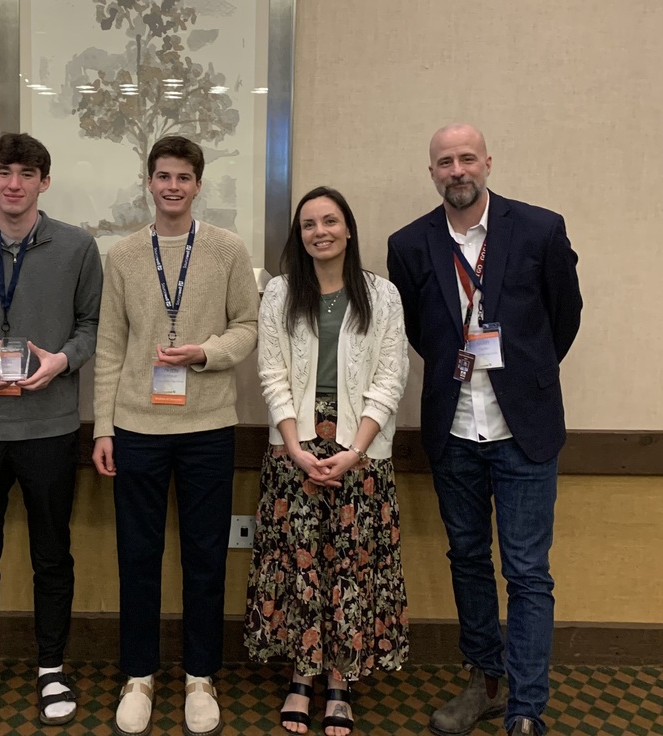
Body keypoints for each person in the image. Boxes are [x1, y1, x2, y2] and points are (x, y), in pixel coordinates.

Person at [387, 123, 582, 736]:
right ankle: (485, 682)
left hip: (523, 432)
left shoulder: (539, 230)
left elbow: (564, 318)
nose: (457, 170)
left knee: (527, 571)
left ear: (489, 163)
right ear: (432, 173)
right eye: (444, 162)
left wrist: (523, 378)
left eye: (467, 158)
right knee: (467, 560)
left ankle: (526, 707)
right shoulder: (410, 244)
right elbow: (421, 332)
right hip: (454, 433)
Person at [0, 132, 102, 727]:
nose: (14, 184)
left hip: (49, 425)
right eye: (3, 172)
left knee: (52, 555)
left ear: (44, 183)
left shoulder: (78, 247)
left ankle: (51, 667)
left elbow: (91, 326)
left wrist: (61, 361)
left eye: (26, 174)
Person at [92, 135, 259, 736]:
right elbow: (110, 345)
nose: (171, 186)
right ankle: (139, 675)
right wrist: (104, 427)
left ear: (197, 184)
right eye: (162, 176)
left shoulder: (227, 249)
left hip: (209, 427)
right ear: (148, 182)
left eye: (183, 177)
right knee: (138, 556)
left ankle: (199, 676)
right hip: (137, 426)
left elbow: (248, 325)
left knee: (205, 556)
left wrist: (207, 353)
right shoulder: (124, 255)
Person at [245, 187, 410, 736]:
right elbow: (270, 371)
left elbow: (391, 376)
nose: (320, 231)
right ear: (300, 235)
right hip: (292, 444)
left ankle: (339, 680)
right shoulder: (281, 293)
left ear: (348, 228)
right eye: (309, 224)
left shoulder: (382, 294)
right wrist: (294, 446)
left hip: (361, 448)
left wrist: (355, 449)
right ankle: (301, 675)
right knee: (299, 564)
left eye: (330, 221)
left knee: (351, 567)